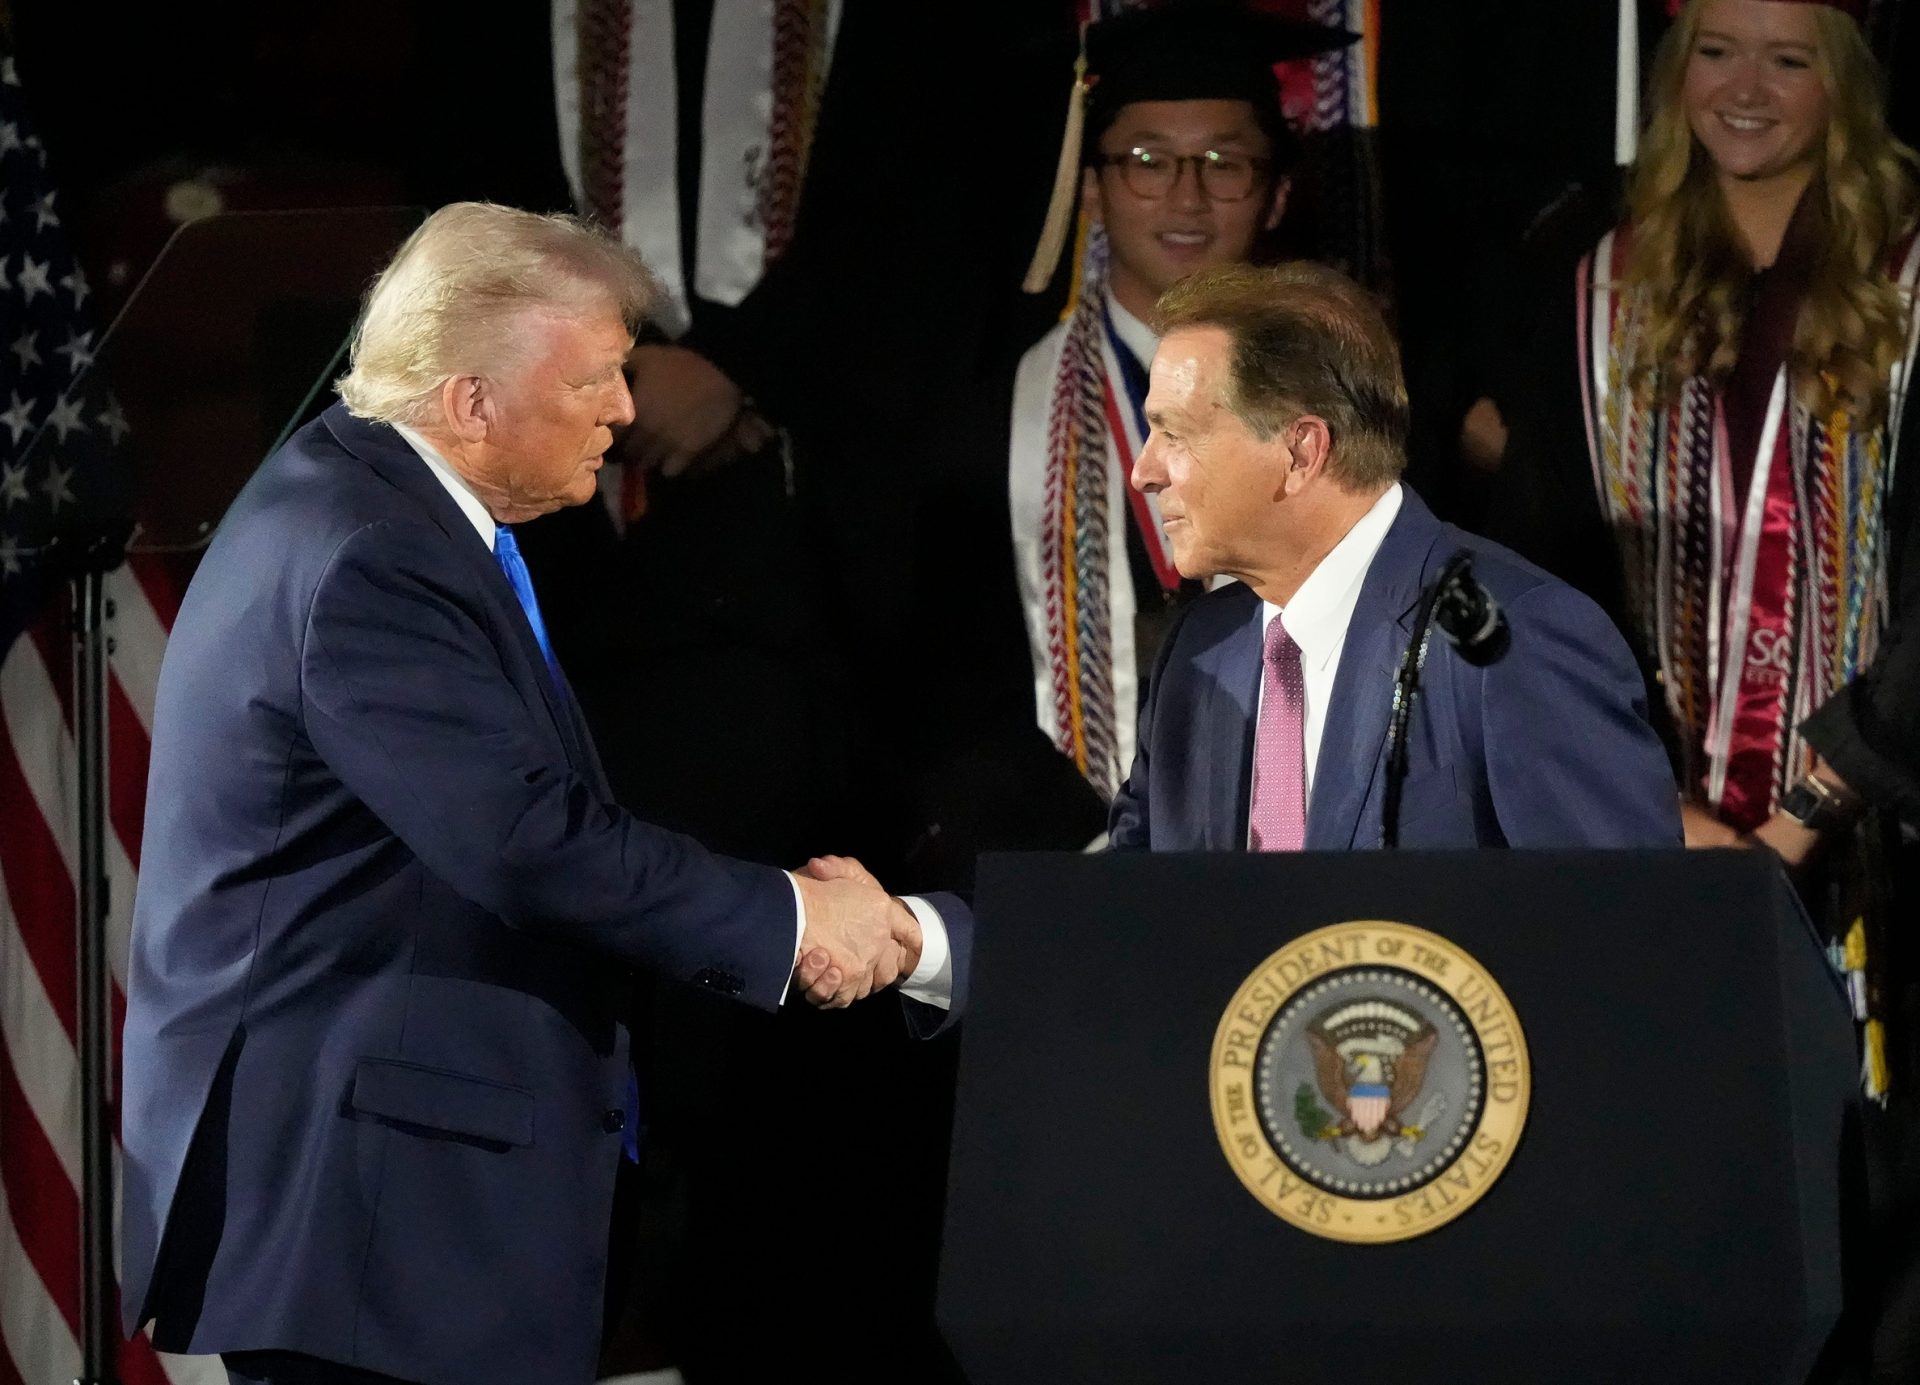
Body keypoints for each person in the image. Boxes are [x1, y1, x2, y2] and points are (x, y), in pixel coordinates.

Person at [117, 203, 964, 1385]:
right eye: (600, 379)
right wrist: (793, 919)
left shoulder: (379, 508)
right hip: (368, 1212)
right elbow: (525, 839)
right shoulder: (371, 551)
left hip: (388, 1211)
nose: (626, 410)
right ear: (472, 400)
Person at [1487, 2, 1919, 1375]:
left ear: (1843, 84)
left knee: (1877, 1241)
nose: (1746, 89)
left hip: (1881, 859)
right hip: (1646, 847)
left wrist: (1797, 822)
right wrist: (1663, 815)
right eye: (1716, 53)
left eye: (1789, 59)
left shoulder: (1916, 276)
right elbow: (1534, 586)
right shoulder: (1591, 279)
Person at [906, 2, 1355, 885]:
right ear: (1094, 186)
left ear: (1279, 191)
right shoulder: (984, 432)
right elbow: (948, 703)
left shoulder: (1349, 417)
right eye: (1147, 161)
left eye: (1226, 162)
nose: (1187, 197)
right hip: (1067, 877)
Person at [1106, 260, 1682, 852]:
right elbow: (1135, 909)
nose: (1144, 472)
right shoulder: (1200, 650)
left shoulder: (1511, 640)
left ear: (1301, 451)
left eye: (1174, 434)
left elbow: (1620, 923)